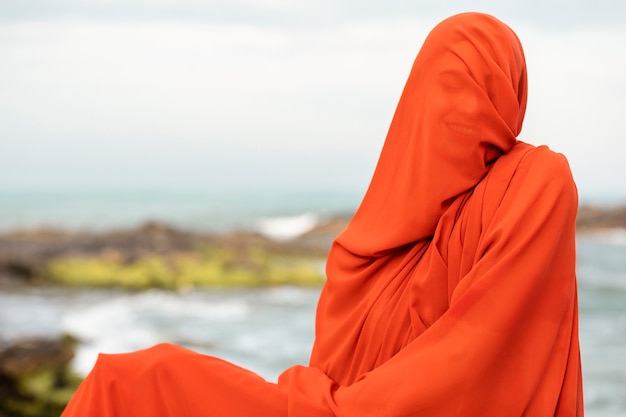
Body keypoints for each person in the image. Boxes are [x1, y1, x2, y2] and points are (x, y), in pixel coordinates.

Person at [62, 12, 584, 416]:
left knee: (142, 379)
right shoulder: (367, 249)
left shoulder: (533, 182)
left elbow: (486, 355)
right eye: (444, 92)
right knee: (134, 381)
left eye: (476, 90)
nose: (460, 113)